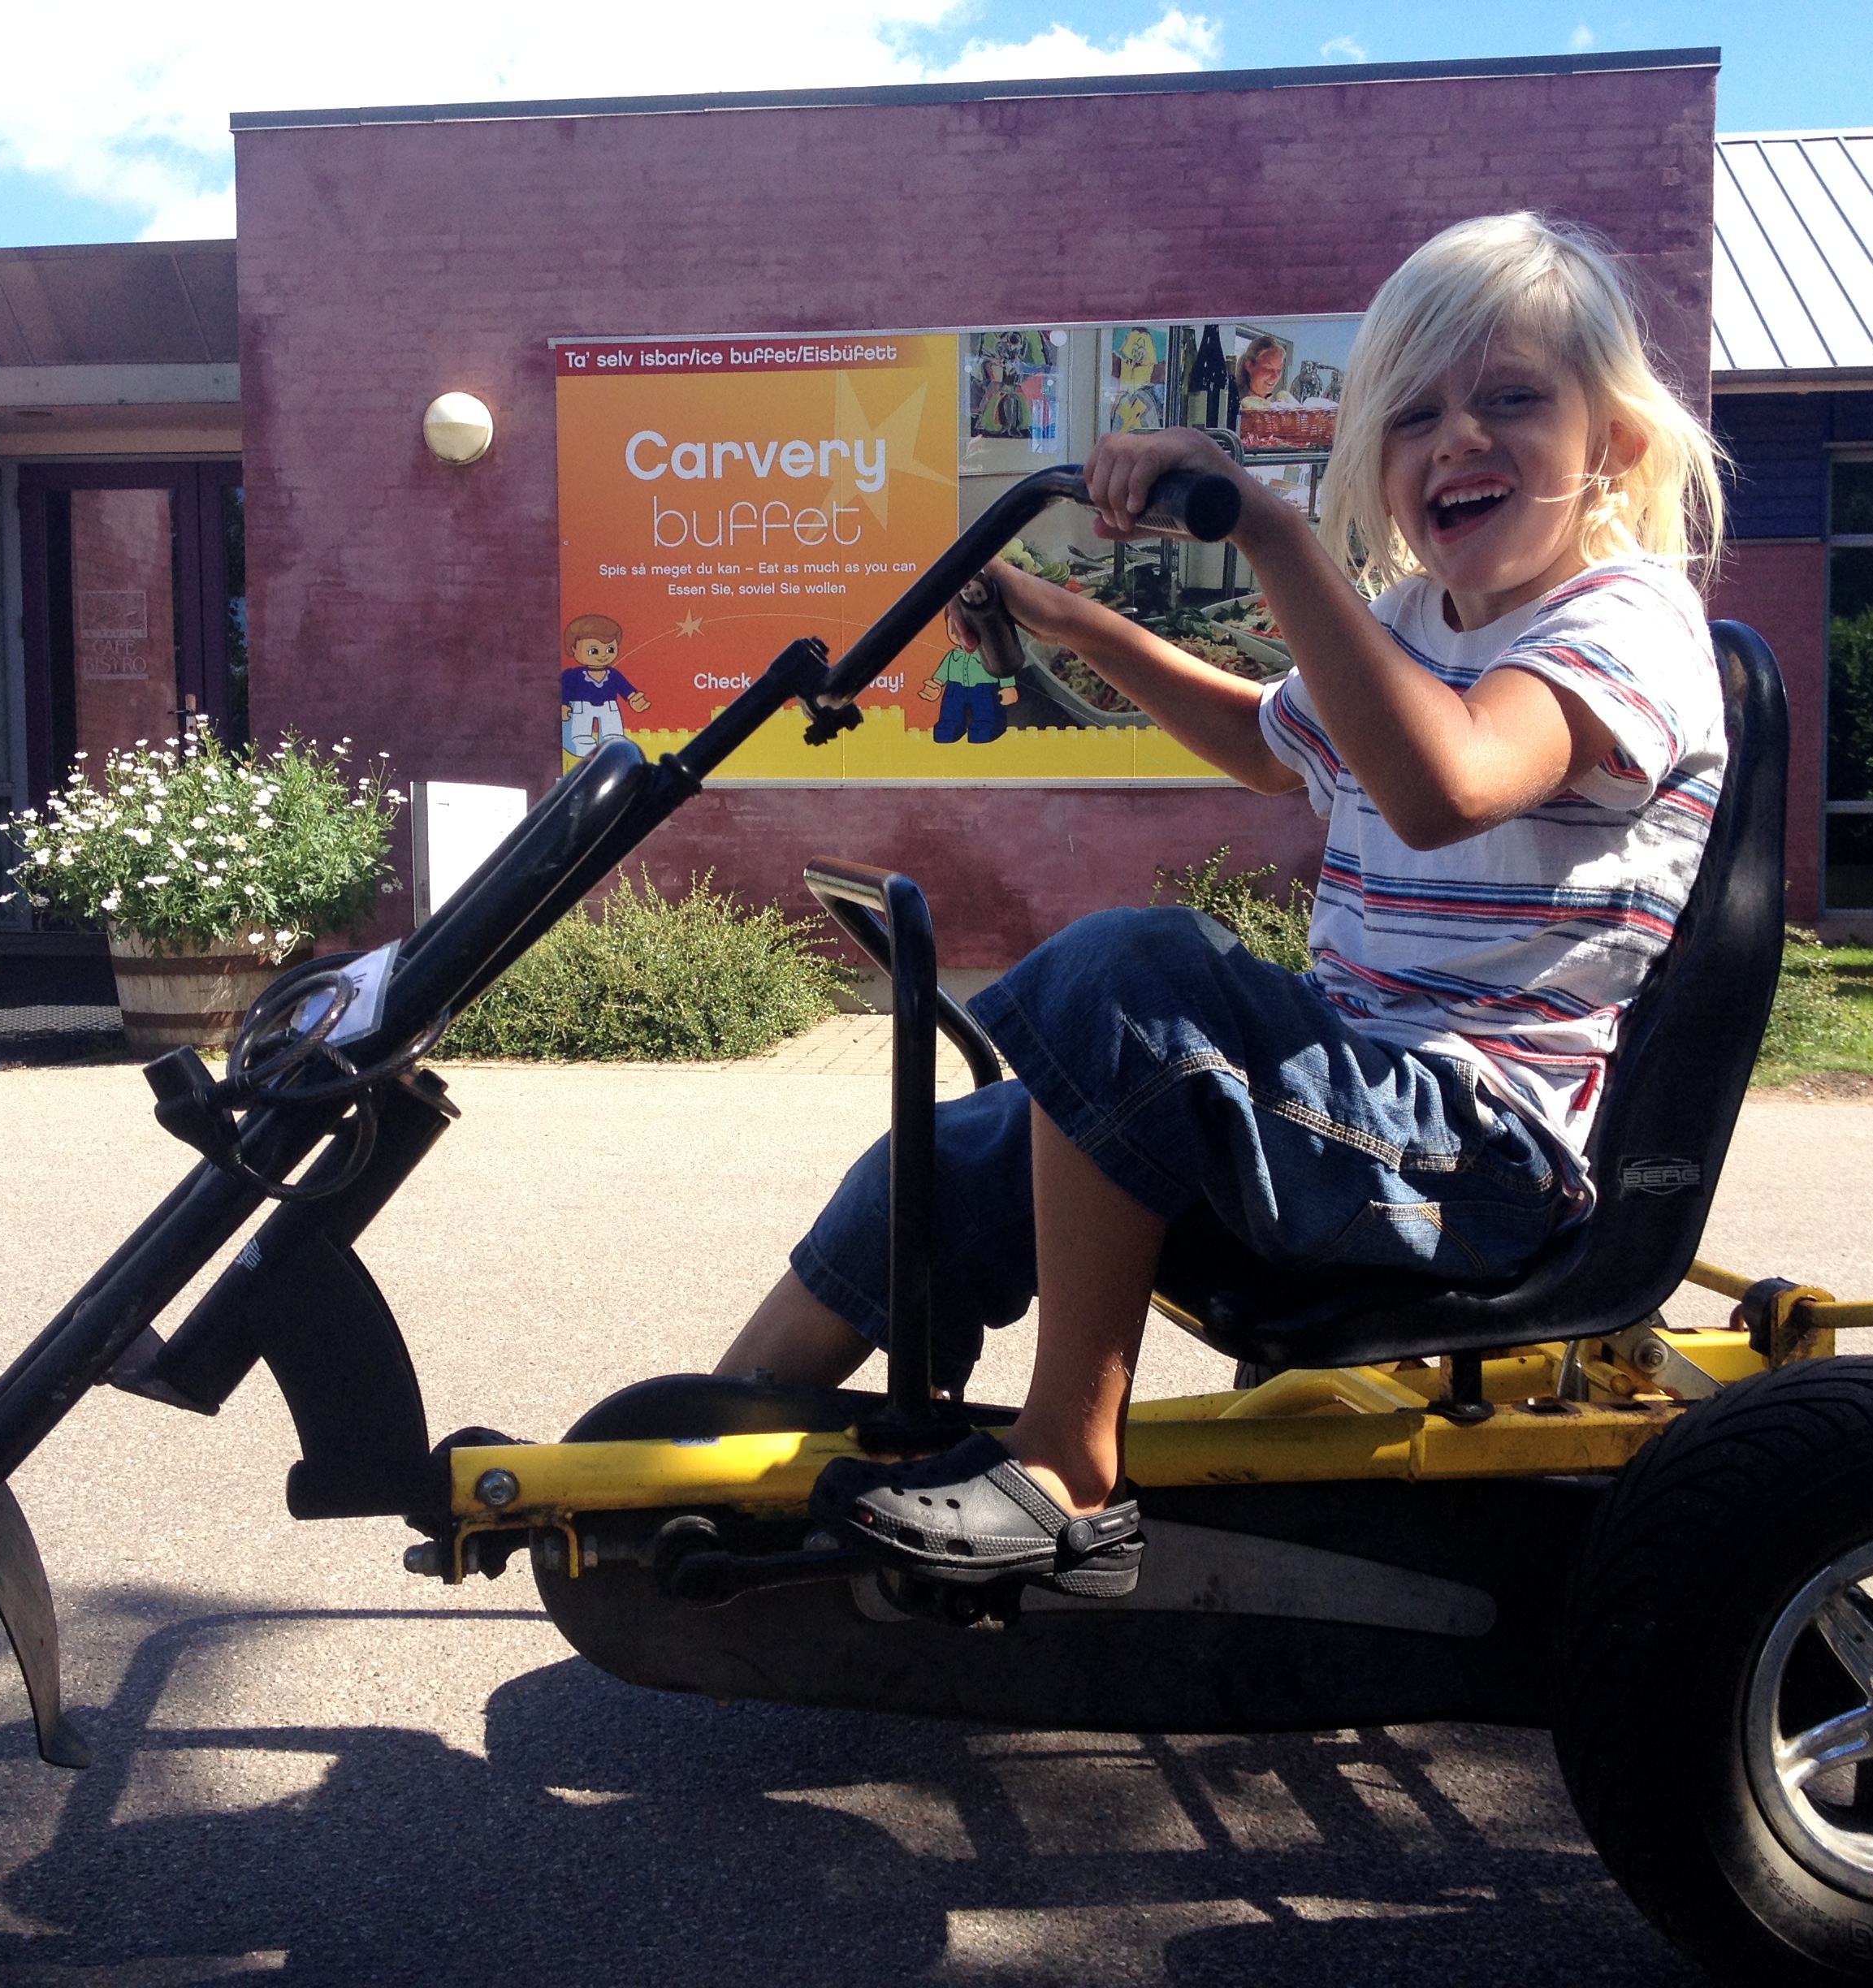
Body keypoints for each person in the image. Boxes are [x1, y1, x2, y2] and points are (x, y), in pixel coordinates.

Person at [716, 211, 1729, 1599]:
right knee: (952, 1156)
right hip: (1359, 1100)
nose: (1457, 439)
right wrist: (1074, 622)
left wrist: (1264, 529)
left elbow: (1445, 785)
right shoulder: (1413, 624)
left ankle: (1067, 1474)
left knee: (1128, 983)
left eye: (1509, 400)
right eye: (1415, 413)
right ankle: (711, 1449)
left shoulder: (1624, 622)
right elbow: (1265, 740)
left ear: (1610, 441)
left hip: (1478, 1155)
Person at [916, 613, 1022, 744]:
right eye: (955, 628)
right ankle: (950, 725)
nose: (963, 633)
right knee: (951, 711)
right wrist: (936, 685)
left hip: (984, 689)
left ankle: (987, 726)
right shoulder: (953, 655)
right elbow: (942, 674)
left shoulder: (991, 653)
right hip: (955, 689)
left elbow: (1003, 668)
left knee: (986, 712)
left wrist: (1008, 686)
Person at [560, 615, 647, 757]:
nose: (603, 656)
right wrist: (564, 705)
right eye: (593, 651)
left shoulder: (613, 675)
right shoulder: (574, 675)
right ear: (573, 649)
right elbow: (566, 690)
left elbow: (625, 688)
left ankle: (613, 740)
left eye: (610, 649)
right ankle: (579, 742)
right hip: (581, 708)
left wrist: (634, 699)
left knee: (613, 733)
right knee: (579, 734)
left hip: (609, 707)